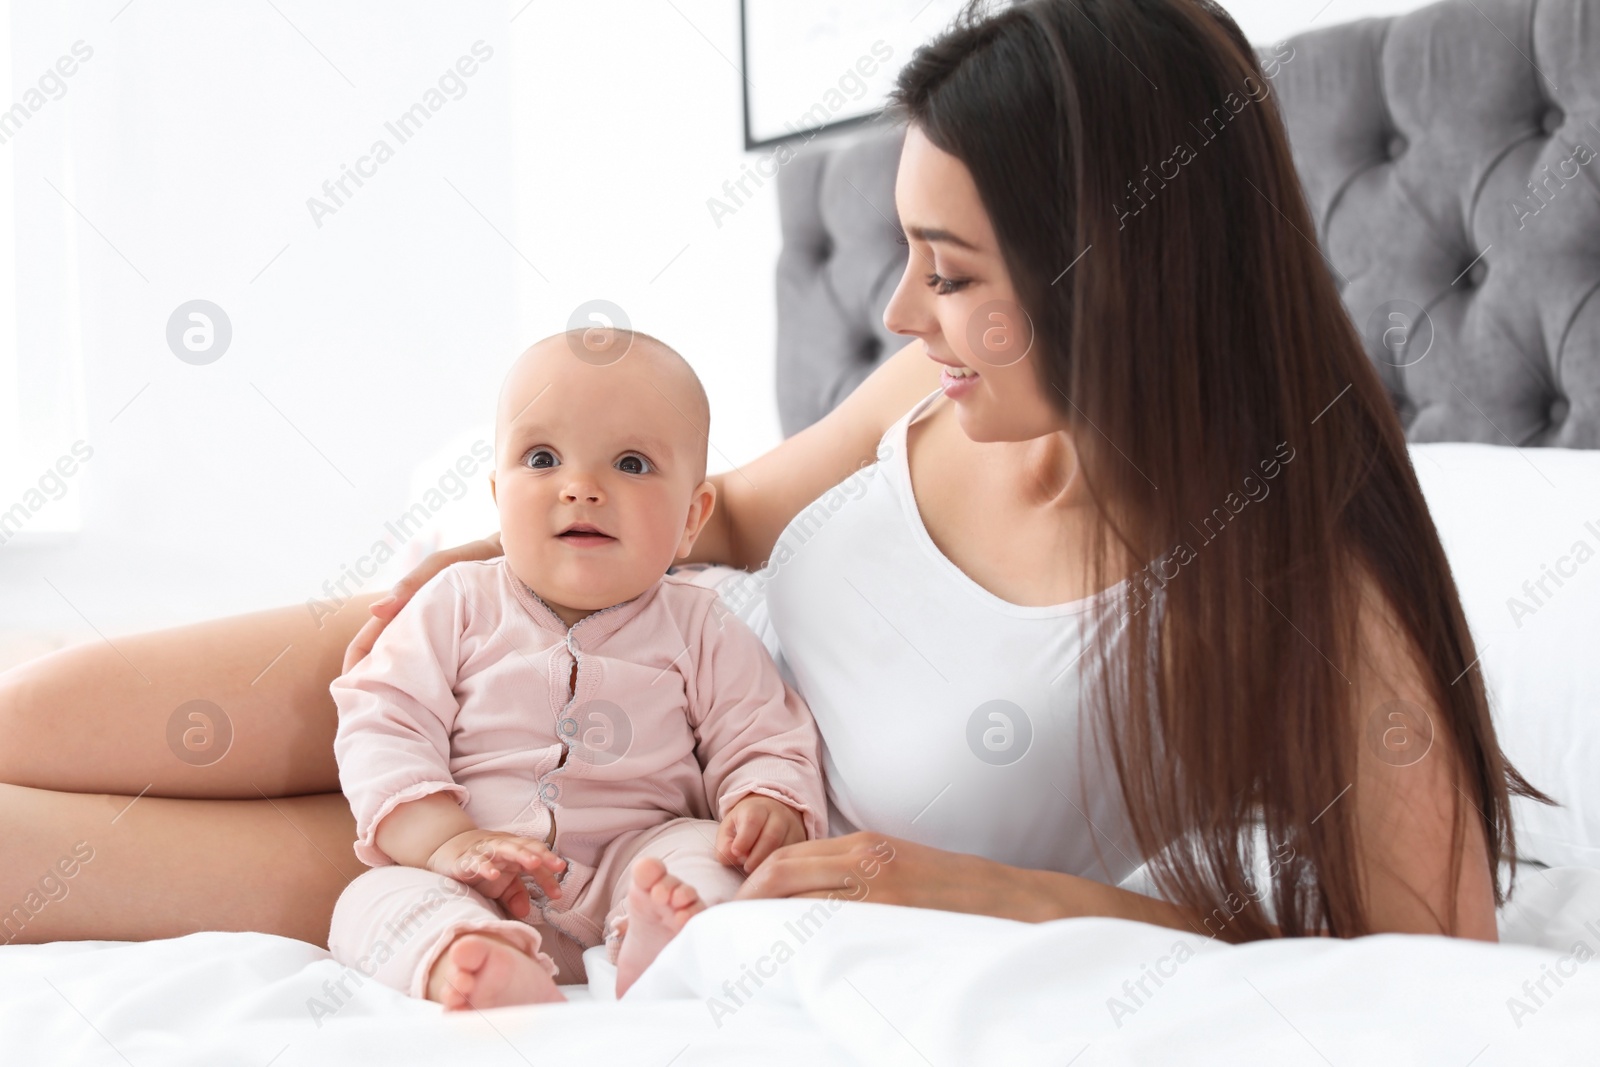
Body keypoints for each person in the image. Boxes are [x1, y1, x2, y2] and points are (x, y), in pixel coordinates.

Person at [0, 0, 1547, 955]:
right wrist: (505, 546)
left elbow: (1425, 967)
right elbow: (729, 513)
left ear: (1113, 271)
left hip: (622, 838)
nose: (897, 315)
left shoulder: (1297, 582)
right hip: (551, 630)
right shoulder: (939, 389)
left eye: (947, 271)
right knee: (35, 715)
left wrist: (1014, 899)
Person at [325, 332, 826, 1009]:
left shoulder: (701, 625)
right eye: (542, 458)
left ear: (691, 518)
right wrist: (445, 839)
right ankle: (471, 955)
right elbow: (382, 719)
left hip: (636, 857)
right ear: (498, 494)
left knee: (704, 855)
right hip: (477, 869)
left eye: (630, 462)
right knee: (371, 899)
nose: (582, 487)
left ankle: (665, 941)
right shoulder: (457, 602)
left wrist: (766, 801)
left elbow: (762, 732)